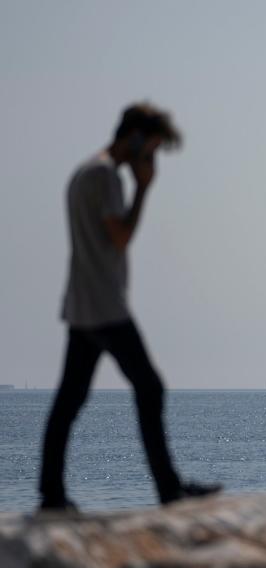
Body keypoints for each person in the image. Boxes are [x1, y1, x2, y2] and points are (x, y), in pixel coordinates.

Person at [39, 103, 221, 511]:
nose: (151, 159)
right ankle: (168, 490)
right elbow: (119, 237)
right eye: (152, 150)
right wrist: (143, 188)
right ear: (136, 138)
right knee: (150, 387)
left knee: (69, 400)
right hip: (105, 305)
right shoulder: (106, 176)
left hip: (82, 303)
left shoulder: (84, 172)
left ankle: (50, 494)